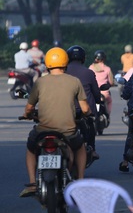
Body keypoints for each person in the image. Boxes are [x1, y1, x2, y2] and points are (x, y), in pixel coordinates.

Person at [20, 47, 90, 197]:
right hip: (68, 132)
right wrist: (88, 114)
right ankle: (81, 179)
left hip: (43, 132)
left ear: (47, 63)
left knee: (31, 148)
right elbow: (85, 109)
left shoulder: (40, 82)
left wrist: (27, 115)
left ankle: (33, 182)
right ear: (65, 62)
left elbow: (29, 108)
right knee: (80, 147)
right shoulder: (74, 81)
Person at [66, 45, 101, 163]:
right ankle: (92, 148)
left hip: (66, 109)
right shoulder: (89, 73)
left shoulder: (62, 72)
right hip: (85, 110)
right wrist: (99, 100)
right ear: (83, 58)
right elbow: (96, 93)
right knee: (91, 125)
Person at [89, 50, 115, 119]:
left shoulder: (91, 68)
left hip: (93, 93)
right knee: (109, 101)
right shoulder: (107, 69)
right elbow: (111, 82)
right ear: (104, 59)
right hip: (104, 94)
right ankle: (108, 115)